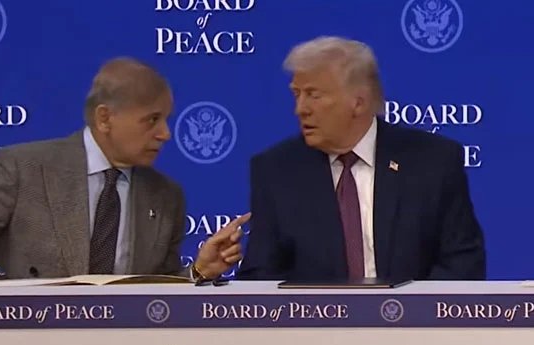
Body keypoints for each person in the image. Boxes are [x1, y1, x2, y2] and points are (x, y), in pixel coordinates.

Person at [0, 57, 249, 281]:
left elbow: (156, 295)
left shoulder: (165, 196)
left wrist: (199, 271)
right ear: (105, 118)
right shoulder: (25, 169)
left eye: (166, 119)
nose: (166, 133)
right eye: (151, 120)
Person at [196, 36, 485, 282]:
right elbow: (263, 276)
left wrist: (412, 318)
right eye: (297, 94)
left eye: (313, 95)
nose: (300, 109)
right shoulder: (276, 170)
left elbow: (462, 264)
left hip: (414, 325)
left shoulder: (432, 161)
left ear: (358, 102)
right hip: (314, 328)